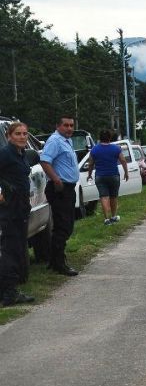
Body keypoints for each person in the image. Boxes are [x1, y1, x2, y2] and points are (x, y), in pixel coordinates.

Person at [0, 122, 36, 306]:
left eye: (25, 133)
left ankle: (8, 290)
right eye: (18, 134)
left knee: (17, 248)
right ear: (9, 136)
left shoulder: (21, 154)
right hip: (10, 208)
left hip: (21, 206)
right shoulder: (5, 153)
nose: (22, 137)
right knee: (11, 250)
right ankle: (9, 294)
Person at [40, 116, 80, 276]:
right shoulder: (55, 141)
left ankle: (54, 259)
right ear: (58, 126)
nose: (69, 128)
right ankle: (59, 264)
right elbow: (45, 161)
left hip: (68, 188)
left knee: (65, 226)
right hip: (59, 189)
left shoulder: (66, 141)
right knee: (63, 227)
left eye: (71, 125)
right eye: (66, 125)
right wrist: (56, 179)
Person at [86, 130, 129, 226]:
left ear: (100, 138)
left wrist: (89, 175)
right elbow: (123, 160)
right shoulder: (116, 148)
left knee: (103, 197)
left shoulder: (94, 149)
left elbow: (91, 164)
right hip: (114, 175)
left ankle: (106, 219)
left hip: (100, 176)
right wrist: (126, 173)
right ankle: (113, 216)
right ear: (110, 138)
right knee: (113, 196)